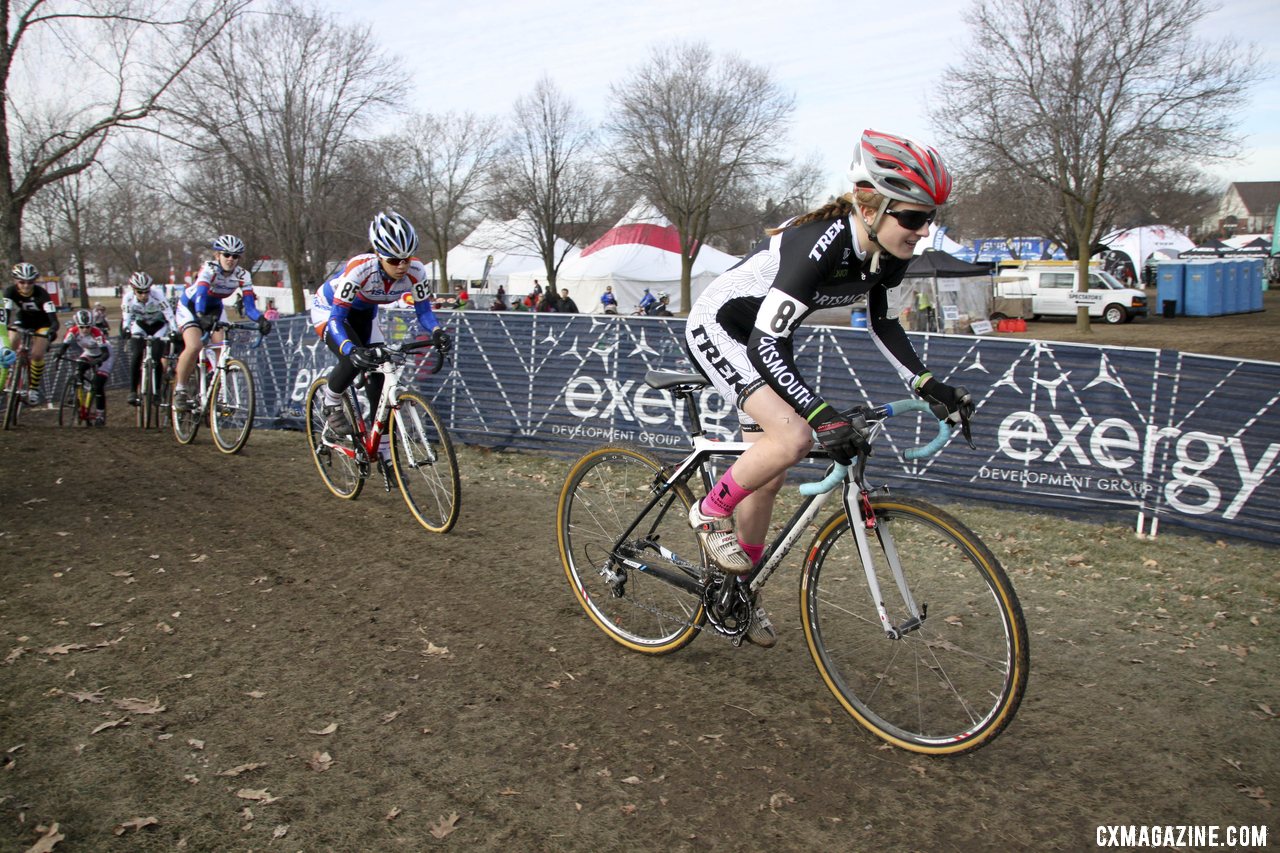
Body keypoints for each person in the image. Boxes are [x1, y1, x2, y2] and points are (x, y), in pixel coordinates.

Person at [682, 129, 973, 648]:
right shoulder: (820, 247)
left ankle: (735, 592)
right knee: (792, 438)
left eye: (928, 217)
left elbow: (883, 325)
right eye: (912, 216)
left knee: (769, 476)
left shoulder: (889, 251)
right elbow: (763, 346)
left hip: (768, 335)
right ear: (870, 205)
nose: (922, 230)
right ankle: (709, 512)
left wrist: (930, 385)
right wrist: (819, 416)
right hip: (724, 329)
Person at [310, 211, 452, 471]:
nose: (402, 266)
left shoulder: (417, 272)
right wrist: (351, 349)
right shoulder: (360, 269)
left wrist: (436, 332)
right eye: (394, 260)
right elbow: (337, 318)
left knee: (380, 375)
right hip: (330, 311)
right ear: (378, 255)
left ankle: (384, 452)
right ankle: (330, 402)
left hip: (365, 315)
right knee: (352, 360)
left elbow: (424, 311)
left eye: (407, 258)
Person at [172, 235, 273, 412]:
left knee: (222, 347)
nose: (231, 259)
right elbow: (201, 295)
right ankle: (180, 389)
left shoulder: (243, 275)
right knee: (194, 346)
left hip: (215, 308)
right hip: (192, 306)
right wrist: (200, 314)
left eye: (235, 256)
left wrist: (261, 319)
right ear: (217, 255)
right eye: (226, 254)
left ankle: (217, 393)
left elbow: (249, 307)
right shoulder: (209, 269)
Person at [2, 262, 59, 404]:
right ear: (16, 281)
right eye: (22, 282)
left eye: (30, 282)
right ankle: (8, 370)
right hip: (23, 321)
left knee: (37, 354)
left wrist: (53, 329)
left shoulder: (42, 293)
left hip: (43, 324)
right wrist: (5, 327)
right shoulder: (10, 291)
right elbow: (6, 314)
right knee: (12, 338)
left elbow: (53, 318)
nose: (26, 286)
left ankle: (34, 388)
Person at [121, 271, 177, 406]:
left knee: (157, 359)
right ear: (133, 289)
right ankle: (133, 391)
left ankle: (157, 391)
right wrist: (126, 329)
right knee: (136, 355)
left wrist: (174, 330)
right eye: (140, 292)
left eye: (146, 291)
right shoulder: (128, 298)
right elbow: (126, 317)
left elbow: (169, 314)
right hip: (140, 325)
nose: (144, 295)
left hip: (158, 326)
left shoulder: (158, 296)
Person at [53, 308, 114, 425]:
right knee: (78, 369)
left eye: (88, 327)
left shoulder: (97, 333)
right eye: (82, 327)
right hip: (89, 353)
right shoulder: (72, 331)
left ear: (92, 325)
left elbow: (105, 353)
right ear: (77, 325)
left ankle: (100, 414)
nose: (85, 330)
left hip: (105, 355)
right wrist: (59, 355)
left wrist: (99, 361)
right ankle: (76, 396)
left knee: (97, 384)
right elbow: (64, 346)